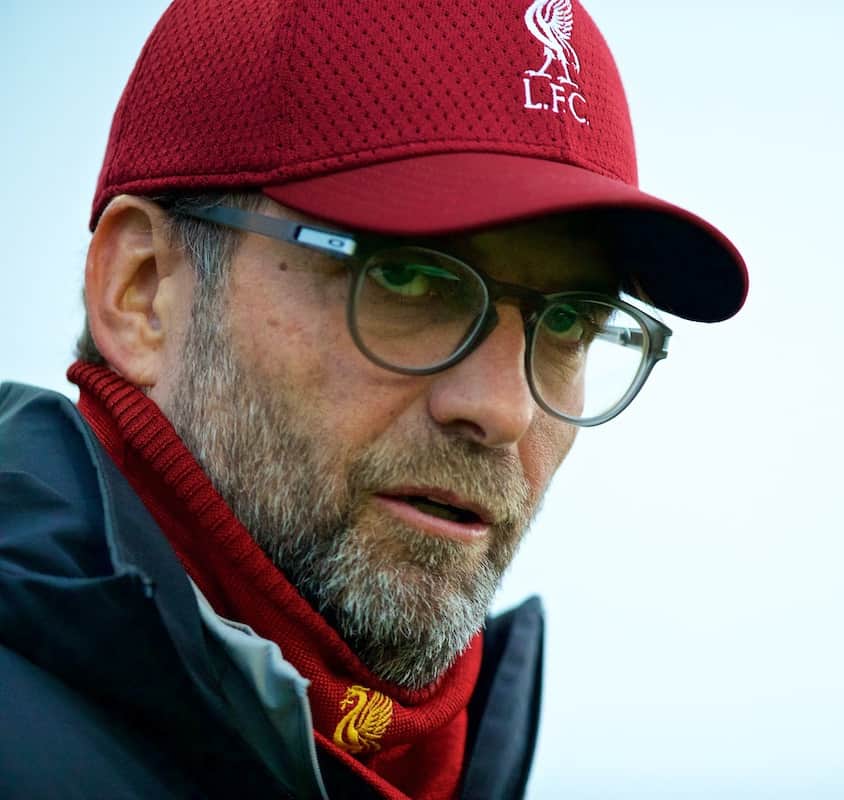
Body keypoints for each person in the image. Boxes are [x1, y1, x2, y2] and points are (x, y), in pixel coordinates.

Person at [0, 0, 747, 798]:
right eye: (408, 277)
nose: (505, 411)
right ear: (142, 292)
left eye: (570, 323)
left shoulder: (446, 764)